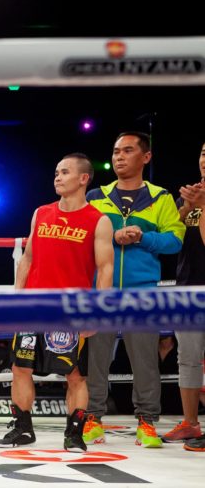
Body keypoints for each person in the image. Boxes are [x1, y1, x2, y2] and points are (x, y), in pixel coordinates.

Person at [0, 153, 114, 452]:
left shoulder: (98, 221)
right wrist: (17, 300)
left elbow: (106, 269)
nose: (57, 177)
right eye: (56, 172)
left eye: (65, 172)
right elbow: (28, 259)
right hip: (33, 305)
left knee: (75, 375)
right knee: (20, 368)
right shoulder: (41, 213)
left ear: (84, 178)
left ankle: (74, 433)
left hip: (72, 310)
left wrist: (96, 314)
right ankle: (22, 429)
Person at [84, 131, 185, 448]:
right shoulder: (95, 196)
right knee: (95, 360)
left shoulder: (162, 197)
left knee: (145, 362)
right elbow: (83, 238)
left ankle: (147, 423)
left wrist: (143, 237)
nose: (119, 157)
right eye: (115, 151)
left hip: (143, 291)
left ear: (146, 157)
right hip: (101, 289)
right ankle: (92, 420)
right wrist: (112, 237)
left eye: (127, 151)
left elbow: (175, 240)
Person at [161, 143, 205, 451]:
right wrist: (186, 209)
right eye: (202, 152)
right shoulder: (191, 195)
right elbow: (172, 240)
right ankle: (191, 423)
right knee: (187, 359)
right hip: (187, 288)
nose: (204, 159)